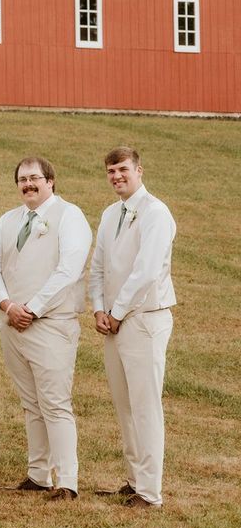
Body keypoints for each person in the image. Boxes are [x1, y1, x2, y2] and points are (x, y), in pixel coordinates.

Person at [0, 156, 91, 500]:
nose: (27, 184)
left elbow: (69, 268)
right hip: (12, 323)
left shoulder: (69, 215)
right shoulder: (7, 220)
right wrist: (6, 305)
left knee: (55, 402)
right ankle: (38, 474)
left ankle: (67, 481)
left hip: (51, 323)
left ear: (50, 180)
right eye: (22, 179)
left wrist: (31, 308)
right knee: (31, 402)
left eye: (34, 178)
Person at [87, 147, 176, 509]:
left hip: (145, 319)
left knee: (145, 404)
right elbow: (98, 267)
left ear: (139, 170)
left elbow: (147, 271)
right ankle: (134, 478)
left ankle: (150, 492)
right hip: (113, 321)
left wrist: (118, 312)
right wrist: (98, 309)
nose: (116, 176)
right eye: (110, 171)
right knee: (124, 405)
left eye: (122, 169)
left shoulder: (156, 212)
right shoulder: (110, 214)